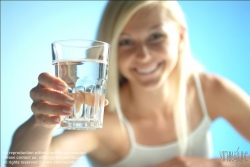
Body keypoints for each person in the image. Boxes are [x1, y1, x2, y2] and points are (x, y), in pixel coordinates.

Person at [9, 1, 250, 167]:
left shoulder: (209, 92)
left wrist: (215, 164)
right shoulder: (104, 121)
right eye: (125, 42)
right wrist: (41, 122)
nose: (143, 55)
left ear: (180, 37)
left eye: (156, 36)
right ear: (110, 52)